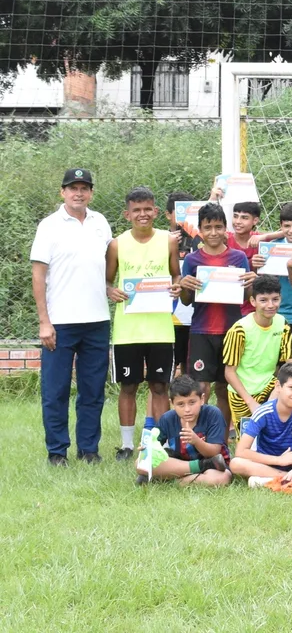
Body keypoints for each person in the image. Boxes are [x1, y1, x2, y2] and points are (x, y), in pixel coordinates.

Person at [32, 168, 113, 465]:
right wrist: (44, 321)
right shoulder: (49, 226)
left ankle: (89, 450)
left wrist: (109, 288)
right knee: (56, 391)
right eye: (72, 188)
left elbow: (105, 268)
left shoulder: (100, 223)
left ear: (91, 192)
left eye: (84, 188)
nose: (78, 193)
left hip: (97, 321)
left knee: (92, 392)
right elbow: (38, 276)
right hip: (60, 323)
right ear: (62, 192)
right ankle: (57, 452)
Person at [105, 186, 180, 460]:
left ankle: (159, 443)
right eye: (137, 210)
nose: (143, 214)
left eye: (148, 209)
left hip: (160, 327)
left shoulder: (169, 241)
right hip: (128, 330)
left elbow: (176, 277)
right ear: (127, 214)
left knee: (160, 386)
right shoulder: (116, 244)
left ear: (156, 211)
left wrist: (176, 287)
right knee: (128, 386)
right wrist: (110, 291)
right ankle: (126, 445)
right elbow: (107, 281)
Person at [177, 202, 253, 432]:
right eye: (208, 227)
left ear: (225, 228)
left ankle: (221, 432)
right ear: (199, 229)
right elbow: (186, 301)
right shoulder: (192, 260)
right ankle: (197, 431)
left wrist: (251, 283)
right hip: (202, 331)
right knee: (201, 387)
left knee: (224, 386)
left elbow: (246, 296)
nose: (213, 232)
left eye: (218, 227)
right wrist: (184, 286)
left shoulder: (239, 258)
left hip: (231, 331)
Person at [222, 275, 292, 429]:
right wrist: (251, 402)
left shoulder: (283, 324)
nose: (270, 305)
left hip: (270, 386)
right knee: (248, 445)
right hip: (242, 393)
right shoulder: (239, 330)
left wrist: (278, 390)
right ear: (253, 301)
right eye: (264, 300)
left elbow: (291, 364)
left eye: (275, 299)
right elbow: (229, 372)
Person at [137, 374, 231, 487]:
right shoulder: (167, 418)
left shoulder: (213, 414)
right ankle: (199, 466)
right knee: (140, 463)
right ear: (172, 403)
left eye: (192, 402)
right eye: (180, 404)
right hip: (181, 463)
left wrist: (196, 441)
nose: (187, 409)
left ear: (202, 399)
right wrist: (147, 448)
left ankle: (169, 480)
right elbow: (153, 445)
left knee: (223, 478)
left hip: (213, 464)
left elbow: (214, 452)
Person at [254, 202, 292, 351]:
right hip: (276, 315)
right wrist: (257, 267)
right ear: (280, 226)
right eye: (287, 226)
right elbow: (263, 285)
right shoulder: (270, 248)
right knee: (277, 363)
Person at [165, 190, 200, 376]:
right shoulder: (159, 240)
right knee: (164, 373)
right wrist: (167, 245)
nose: (182, 220)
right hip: (168, 315)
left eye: (188, 215)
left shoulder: (202, 240)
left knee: (192, 371)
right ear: (168, 214)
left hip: (194, 315)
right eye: (178, 214)